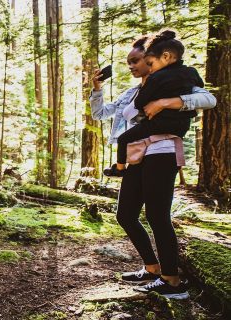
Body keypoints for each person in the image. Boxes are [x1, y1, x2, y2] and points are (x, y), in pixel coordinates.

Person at [90, 36, 216, 299]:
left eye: (138, 60)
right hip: (137, 154)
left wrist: (166, 103)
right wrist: (97, 88)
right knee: (125, 214)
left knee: (157, 215)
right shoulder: (132, 92)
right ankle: (152, 268)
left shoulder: (175, 82)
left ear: (156, 61)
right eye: (131, 62)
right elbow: (102, 114)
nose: (133, 66)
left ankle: (172, 282)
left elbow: (208, 99)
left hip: (162, 151)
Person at [104, 30, 203, 177]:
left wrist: (156, 103)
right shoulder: (191, 72)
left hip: (159, 135)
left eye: (150, 63)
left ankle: (119, 169)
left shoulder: (156, 78)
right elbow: (199, 88)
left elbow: (140, 102)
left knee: (124, 138)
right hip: (177, 129)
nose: (150, 68)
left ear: (165, 56)